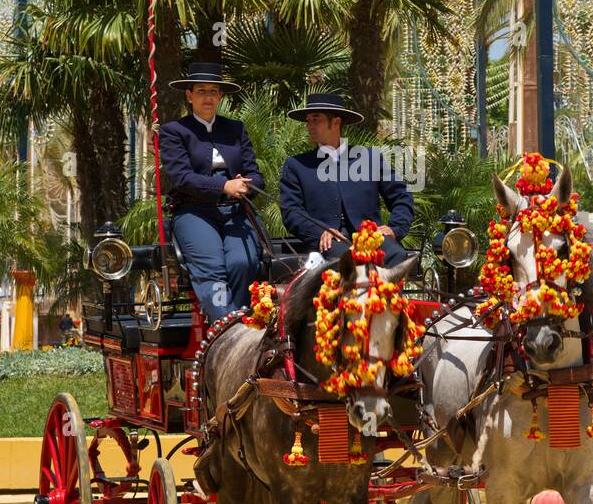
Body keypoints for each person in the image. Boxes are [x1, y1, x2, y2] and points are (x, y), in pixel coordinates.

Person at [158, 61, 263, 323]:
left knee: (244, 263)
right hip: (195, 211)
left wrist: (246, 186)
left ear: (220, 96)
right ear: (189, 95)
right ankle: (227, 328)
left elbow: (256, 174)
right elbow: (182, 178)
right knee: (213, 270)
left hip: (236, 211)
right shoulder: (174, 132)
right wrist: (223, 186)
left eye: (213, 91)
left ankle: (239, 322)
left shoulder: (235, 129)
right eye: (201, 91)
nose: (208, 97)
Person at [279, 92, 414, 265]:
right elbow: (291, 211)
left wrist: (395, 229)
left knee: (396, 254)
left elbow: (402, 196)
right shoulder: (297, 165)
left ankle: (388, 293)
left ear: (336, 122)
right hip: (328, 244)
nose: (308, 126)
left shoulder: (369, 158)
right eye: (308, 120)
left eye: (315, 119)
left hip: (371, 237)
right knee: (346, 262)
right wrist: (320, 232)